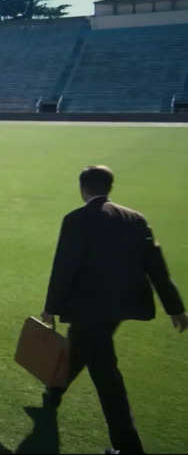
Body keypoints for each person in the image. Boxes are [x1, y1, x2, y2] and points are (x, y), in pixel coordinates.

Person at [41, 165, 187, 454]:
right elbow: (156, 266)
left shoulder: (76, 219)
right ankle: (54, 392)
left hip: (88, 307)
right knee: (81, 347)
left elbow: (64, 267)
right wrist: (175, 308)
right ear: (109, 187)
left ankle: (128, 447)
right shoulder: (135, 219)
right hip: (121, 306)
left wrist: (51, 309)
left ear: (83, 188)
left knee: (107, 376)